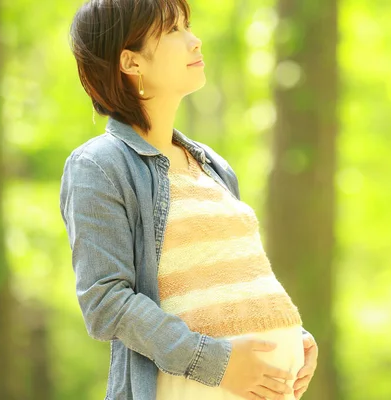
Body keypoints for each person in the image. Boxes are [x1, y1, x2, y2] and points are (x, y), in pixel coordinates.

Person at [60, 0, 318, 399]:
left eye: (187, 26)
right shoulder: (99, 165)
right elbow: (105, 300)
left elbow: (228, 278)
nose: (194, 42)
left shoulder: (211, 163)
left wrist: (296, 339)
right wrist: (218, 363)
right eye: (173, 30)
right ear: (131, 62)